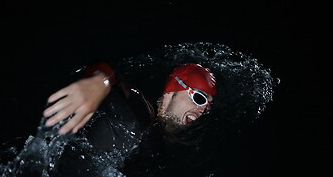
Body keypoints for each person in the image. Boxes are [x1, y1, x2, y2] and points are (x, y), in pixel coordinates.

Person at [43, 61, 217, 147]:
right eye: (199, 99)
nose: (202, 110)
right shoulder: (138, 112)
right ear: (170, 93)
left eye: (208, 106)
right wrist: (99, 82)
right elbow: (111, 75)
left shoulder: (162, 139)